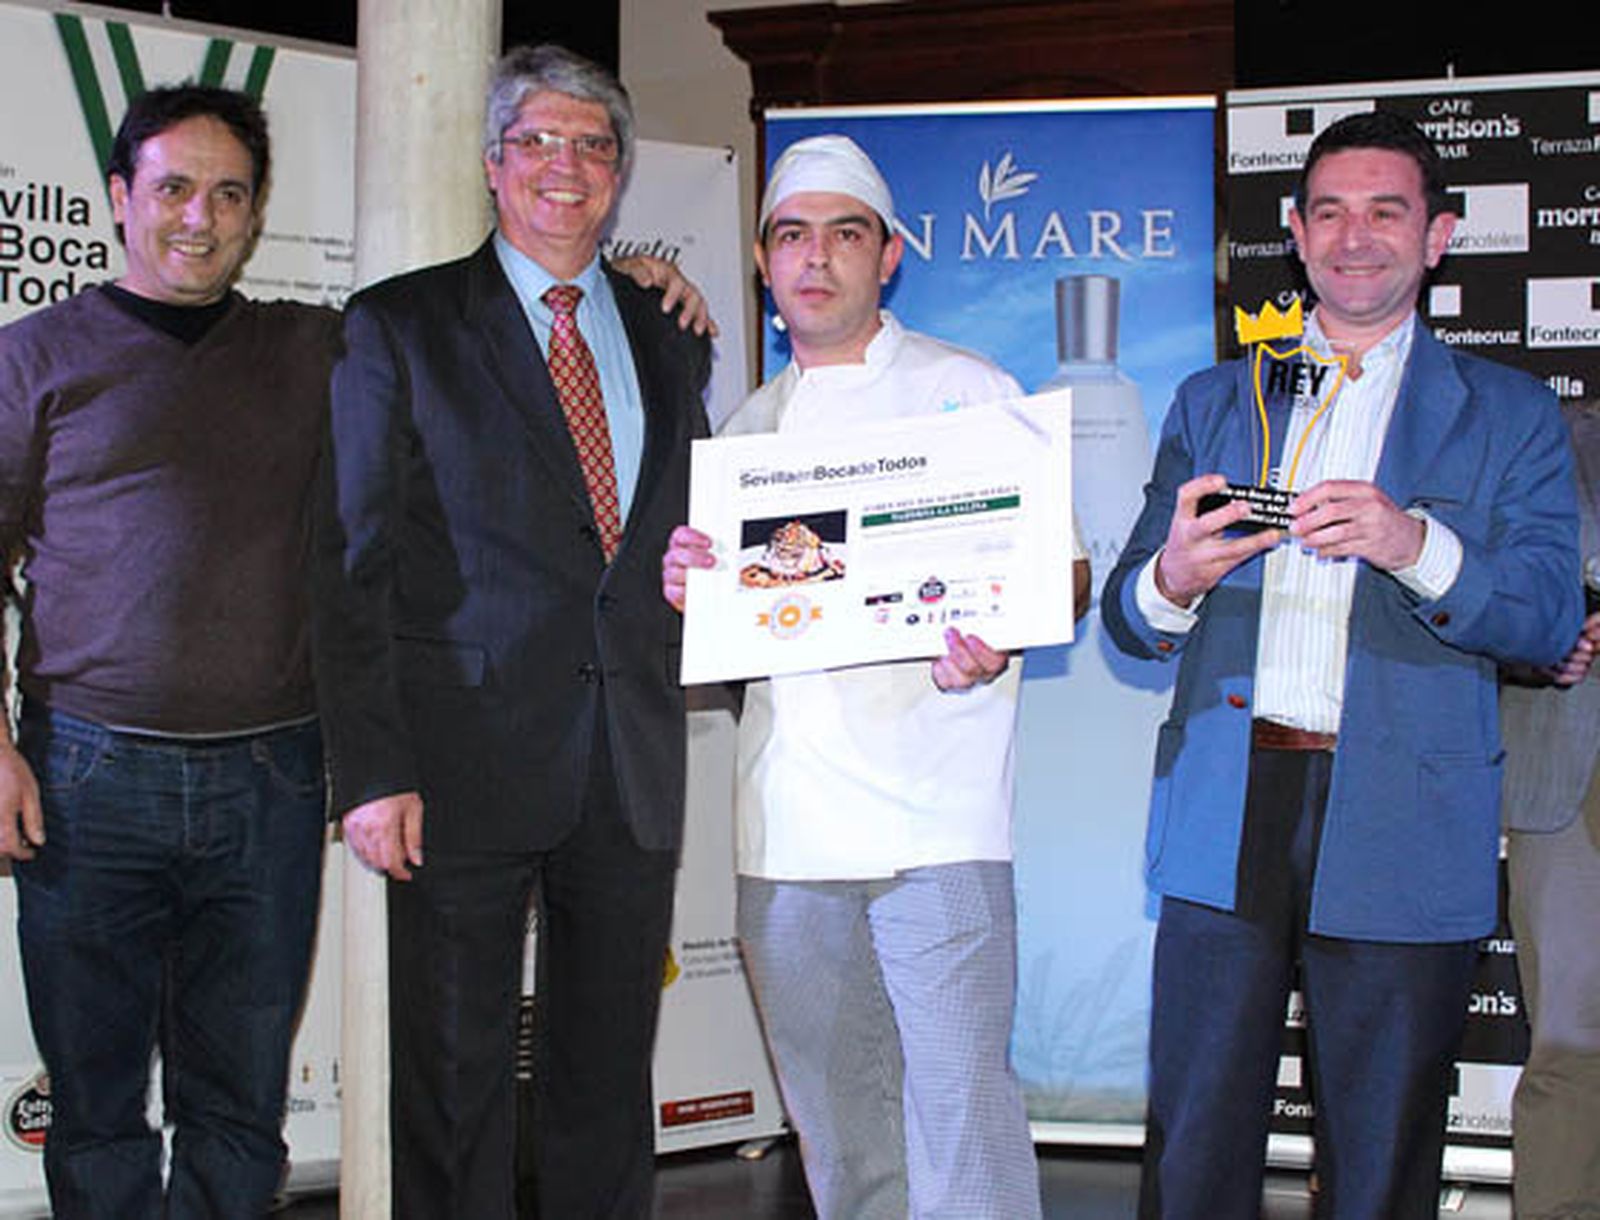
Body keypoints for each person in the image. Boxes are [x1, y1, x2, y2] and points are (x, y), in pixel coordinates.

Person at [1101, 110, 1584, 1220]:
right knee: (1193, 1146)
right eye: (1329, 210)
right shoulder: (1215, 398)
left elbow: (1549, 616)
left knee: (1380, 1157)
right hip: (1228, 800)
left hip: (1402, 806)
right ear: (1295, 230)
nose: (1354, 235)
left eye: (1385, 211)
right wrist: (1170, 574)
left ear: (1439, 236)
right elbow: (1131, 621)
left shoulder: (1507, 414)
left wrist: (1416, 546)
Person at [314, 44, 712, 1219]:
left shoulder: (664, 333)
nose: (565, 166)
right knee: (453, 1080)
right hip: (458, 761)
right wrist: (373, 772)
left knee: (605, 1080)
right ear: (493, 165)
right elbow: (351, 562)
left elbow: (668, 532)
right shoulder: (401, 325)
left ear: (620, 174)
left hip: (628, 754)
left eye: (593, 146)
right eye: (537, 141)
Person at [662, 134, 1089, 1220]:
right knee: (838, 1127)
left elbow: (1063, 567)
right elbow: (741, 636)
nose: (816, 260)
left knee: (960, 1118)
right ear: (765, 263)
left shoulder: (968, 390)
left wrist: (1007, 627)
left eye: (843, 235)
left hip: (936, 821)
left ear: (888, 255)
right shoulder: (746, 430)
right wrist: (693, 591)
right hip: (786, 833)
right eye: (791, 236)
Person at [0, 85, 335, 1219]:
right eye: (174, 187)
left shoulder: (314, 349)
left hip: (273, 780)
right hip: (85, 781)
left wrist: (619, 279)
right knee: (95, 1106)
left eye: (228, 193)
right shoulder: (33, 358)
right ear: (119, 199)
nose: (200, 215)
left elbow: (478, 326)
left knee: (238, 1105)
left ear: (255, 214)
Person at [1500, 400, 1600, 1220]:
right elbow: (1475, 595)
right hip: (1573, 766)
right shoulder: (1543, 436)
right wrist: (1544, 640)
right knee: (1570, 1039)